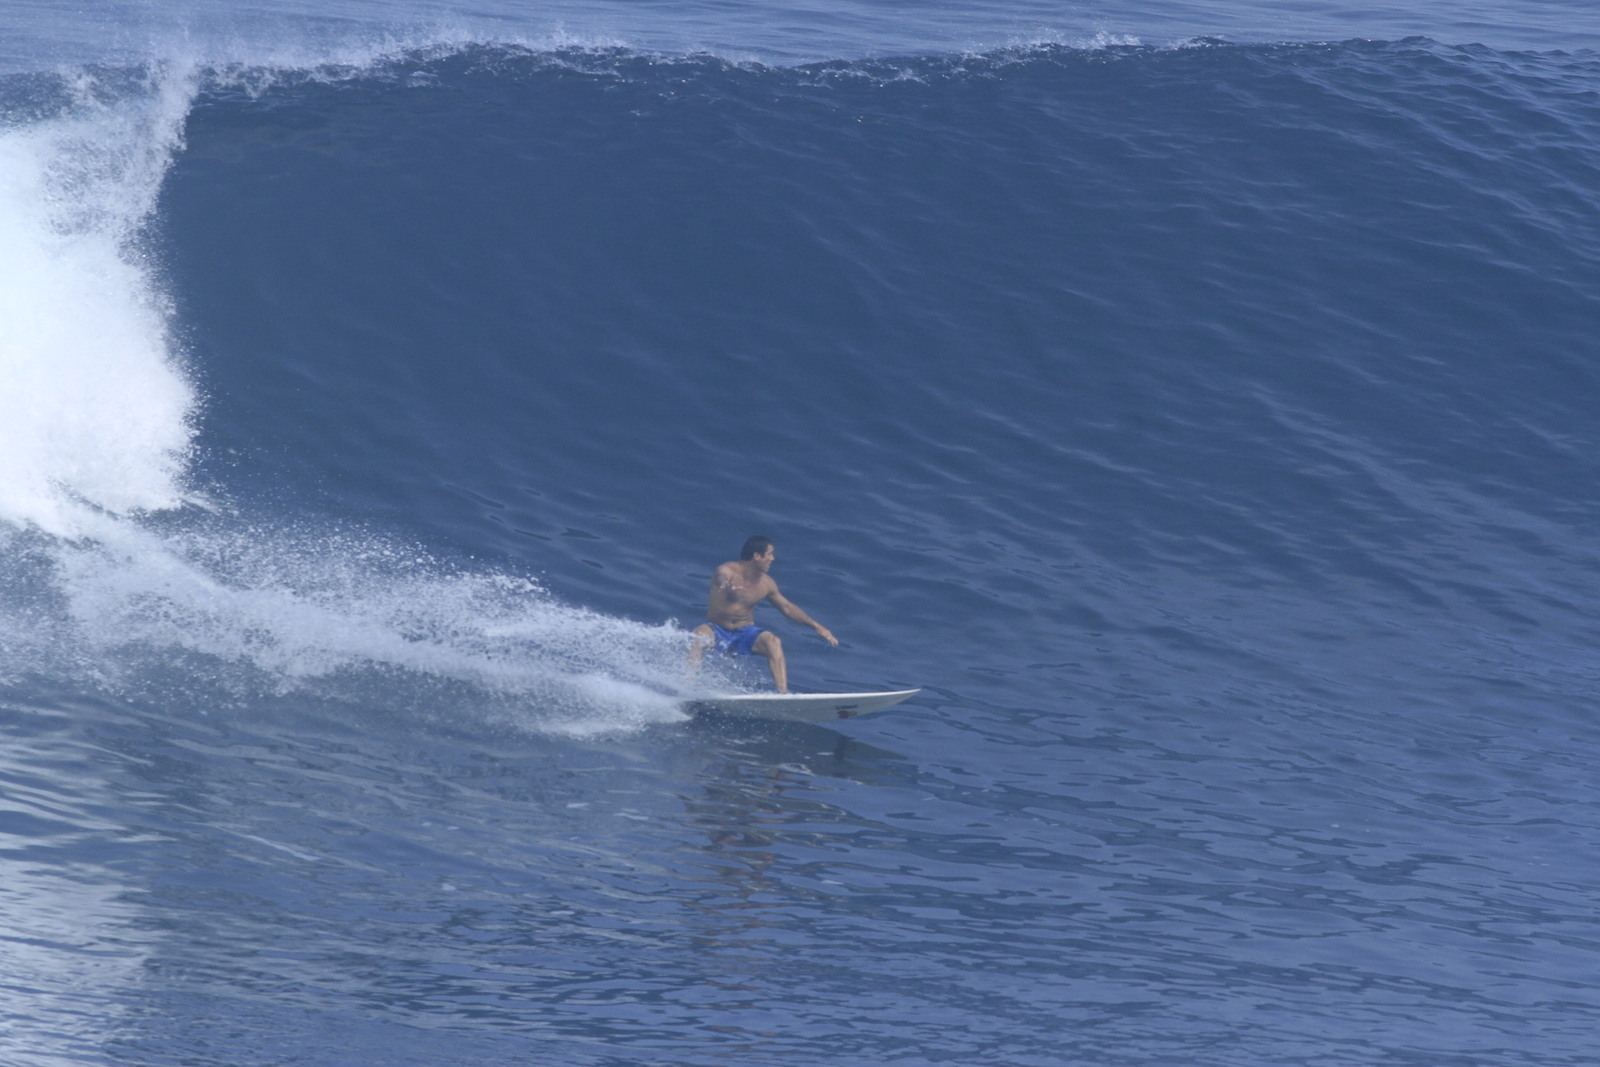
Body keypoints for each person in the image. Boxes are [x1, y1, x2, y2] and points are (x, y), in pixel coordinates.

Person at [688, 535, 838, 693]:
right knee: (699, 635)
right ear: (757, 556)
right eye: (769, 554)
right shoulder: (727, 570)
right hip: (717, 630)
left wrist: (816, 626)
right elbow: (721, 577)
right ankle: (688, 686)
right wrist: (724, 583)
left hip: (744, 633)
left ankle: (783, 694)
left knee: (773, 641)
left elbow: (786, 607)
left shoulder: (767, 583)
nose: (772, 559)